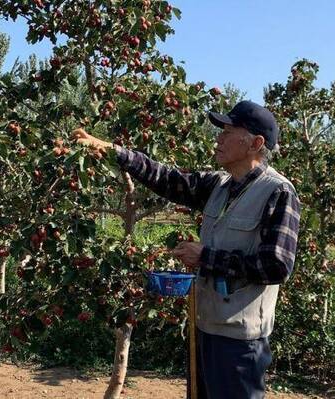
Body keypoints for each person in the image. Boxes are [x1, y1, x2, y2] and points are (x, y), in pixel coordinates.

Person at [74, 100, 301, 398]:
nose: (218, 138)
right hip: (204, 327)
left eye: (228, 131)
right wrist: (114, 151)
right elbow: (168, 179)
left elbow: (277, 265)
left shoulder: (277, 192)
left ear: (255, 143)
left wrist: (205, 257)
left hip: (239, 341)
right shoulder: (219, 185)